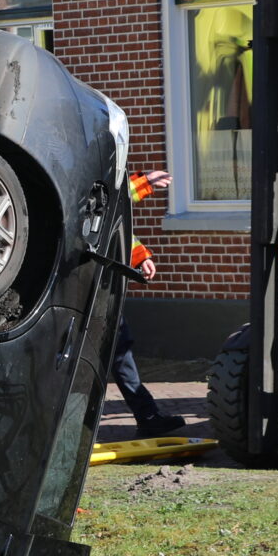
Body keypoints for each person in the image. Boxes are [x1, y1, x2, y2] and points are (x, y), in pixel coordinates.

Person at [104, 170, 186, 439]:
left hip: (99, 287)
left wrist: (139, 257)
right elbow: (107, 200)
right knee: (114, 350)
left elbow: (114, 214)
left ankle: (148, 417)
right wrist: (144, 182)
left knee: (119, 350)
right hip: (84, 287)